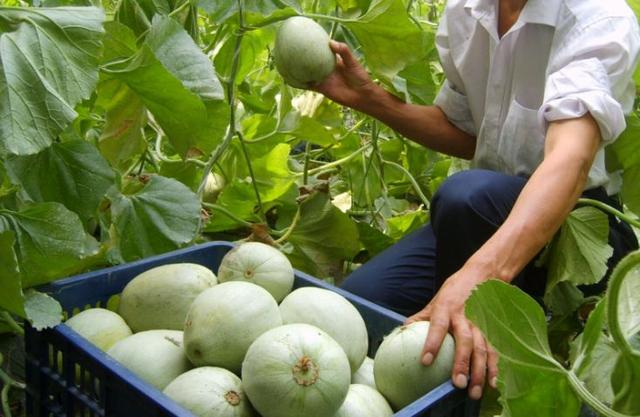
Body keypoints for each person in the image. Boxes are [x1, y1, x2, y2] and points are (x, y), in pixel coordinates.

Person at [313, 0, 640, 401]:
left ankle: (471, 390)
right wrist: (369, 99)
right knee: (357, 307)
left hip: (575, 230)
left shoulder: (597, 15)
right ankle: (456, 348)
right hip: (482, 215)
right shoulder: (467, 11)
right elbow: (464, 130)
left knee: (465, 197)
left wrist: (476, 275)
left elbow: (570, 159)